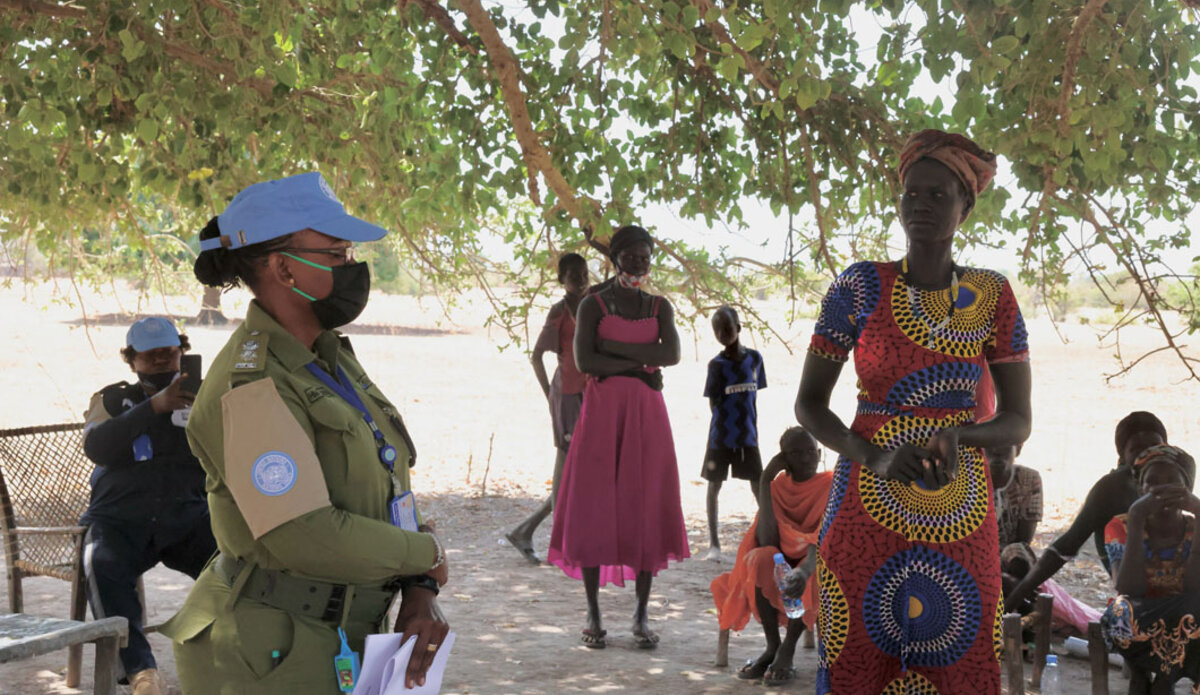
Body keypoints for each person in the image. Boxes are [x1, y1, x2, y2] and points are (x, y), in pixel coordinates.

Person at [159, 174, 449, 693]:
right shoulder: (250, 386)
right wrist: (426, 555)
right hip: (270, 653)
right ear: (283, 267)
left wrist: (420, 586)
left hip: (343, 634)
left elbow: (386, 477)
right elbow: (305, 534)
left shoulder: (329, 357)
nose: (353, 268)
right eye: (336, 254)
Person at [795, 129, 1032, 694]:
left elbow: (1019, 419)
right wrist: (871, 454)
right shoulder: (858, 287)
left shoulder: (991, 295)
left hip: (960, 508)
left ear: (965, 206)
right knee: (857, 642)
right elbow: (809, 404)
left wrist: (961, 435)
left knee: (959, 645)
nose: (921, 206)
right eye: (911, 194)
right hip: (864, 499)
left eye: (938, 195)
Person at [547, 224, 690, 650]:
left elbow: (673, 355)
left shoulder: (659, 305)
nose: (640, 265)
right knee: (594, 506)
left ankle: (641, 614)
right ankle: (593, 611)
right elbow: (586, 360)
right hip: (602, 415)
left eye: (646, 258)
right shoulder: (593, 304)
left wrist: (616, 359)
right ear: (616, 259)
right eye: (632, 258)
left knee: (644, 504)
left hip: (647, 417)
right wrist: (640, 367)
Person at [81, 317, 217, 695]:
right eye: (150, 355)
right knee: (101, 565)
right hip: (118, 520)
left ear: (181, 353)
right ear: (132, 359)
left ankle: (230, 658)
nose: (160, 361)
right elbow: (97, 448)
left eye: (169, 353)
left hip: (186, 519)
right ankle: (143, 674)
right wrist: (154, 407)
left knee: (236, 568)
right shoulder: (111, 399)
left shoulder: (208, 395)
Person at [1007, 411, 1169, 611]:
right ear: (1123, 456)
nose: (1146, 454)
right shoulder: (1112, 488)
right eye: (1137, 449)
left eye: (1155, 446)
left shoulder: (1174, 480)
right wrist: (1014, 599)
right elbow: (1064, 547)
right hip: (1137, 596)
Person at [710, 427, 832, 686]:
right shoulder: (776, 487)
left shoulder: (831, 484)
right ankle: (772, 646)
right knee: (759, 558)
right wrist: (765, 480)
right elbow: (767, 541)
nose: (806, 458)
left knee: (810, 575)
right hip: (783, 558)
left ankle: (787, 651)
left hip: (816, 561)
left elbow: (823, 540)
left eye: (811, 451)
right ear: (783, 459)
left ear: (820, 453)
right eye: (796, 453)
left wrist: (804, 569)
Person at [505, 253, 590, 564]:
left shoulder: (594, 303)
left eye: (584, 273)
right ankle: (556, 542)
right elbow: (537, 355)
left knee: (577, 472)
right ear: (561, 280)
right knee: (566, 469)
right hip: (566, 394)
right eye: (573, 275)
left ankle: (526, 532)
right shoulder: (559, 312)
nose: (581, 279)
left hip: (588, 393)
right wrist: (548, 395)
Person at [1102, 444, 1200, 694]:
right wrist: (1136, 519)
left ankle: (1164, 681)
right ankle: (1142, 672)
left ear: (1187, 490)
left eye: (1171, 483)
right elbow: (1128, 587)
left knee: (1194, 607)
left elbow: (1193, 587)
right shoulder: (1120, 526)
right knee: (1122, 610)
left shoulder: (1194, 527)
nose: (1161, 489)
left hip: (1183, 621)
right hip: (1137, 618)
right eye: (1152, 482)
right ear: (1140, 489)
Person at [701, 306, 767, 562]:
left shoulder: (755, 359)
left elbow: (754, 398)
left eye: (727, 328)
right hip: (721, 435)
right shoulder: (716, 366)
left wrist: (749, 428)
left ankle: (768, 536)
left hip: (748, 435)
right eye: (718, 330)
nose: (723, 333)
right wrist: (725, 427)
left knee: (758, 486)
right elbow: (714, 404)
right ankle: (714, 545)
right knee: (714, 485)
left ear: (738, 328)